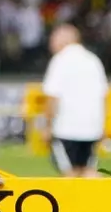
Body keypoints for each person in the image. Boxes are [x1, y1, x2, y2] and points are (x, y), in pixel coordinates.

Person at [41, 23, 107, 177]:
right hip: (92, 128)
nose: (51, 43)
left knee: (69, 174)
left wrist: (47, 126)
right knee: (89, 171)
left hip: (66, 129)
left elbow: (52, 96)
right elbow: (102, 95)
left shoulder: (60, 60)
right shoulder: (93, 60)